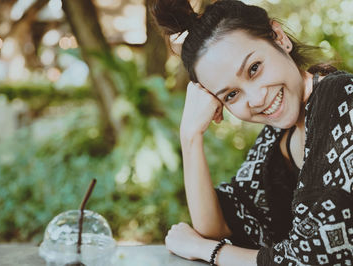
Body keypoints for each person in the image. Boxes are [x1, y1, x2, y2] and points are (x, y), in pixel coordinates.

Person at [151, 0, 353, 265]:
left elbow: (315, 258)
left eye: (254, 68)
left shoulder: (343, 101)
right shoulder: (277, 136)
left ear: (279, 38)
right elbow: (218, 227)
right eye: (232, 95)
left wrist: (207, 251)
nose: (256, 100)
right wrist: (190, 136)